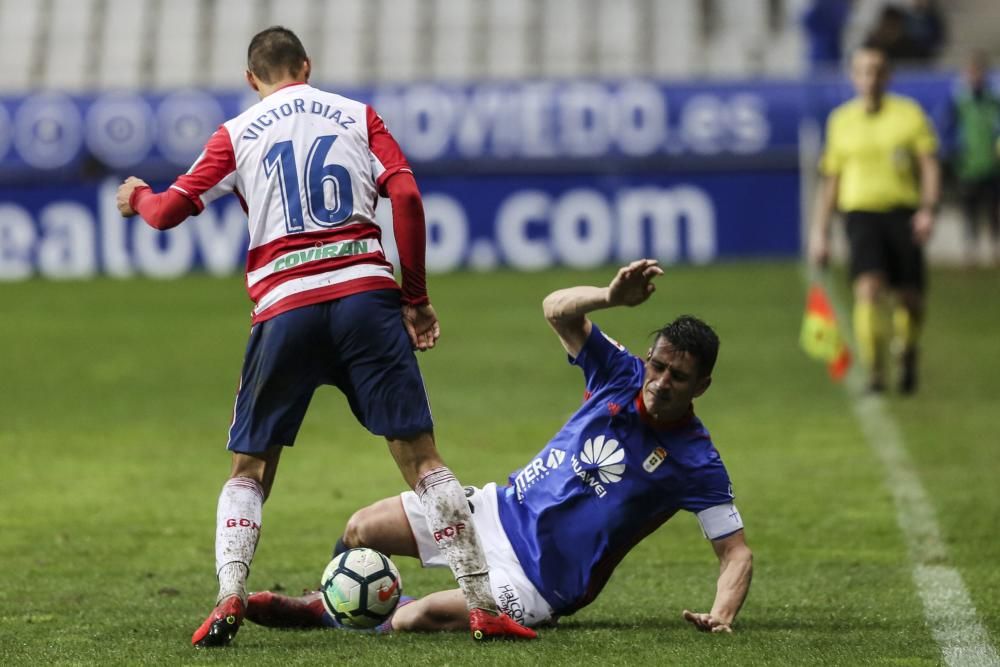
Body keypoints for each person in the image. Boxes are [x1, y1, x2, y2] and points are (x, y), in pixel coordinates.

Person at [114, 26, 533, 646]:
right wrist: (413, 297)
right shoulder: (359, 115)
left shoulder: (236, 134)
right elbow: (408, 197)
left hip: (286, 305)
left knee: (250, 467)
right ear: (306, 66)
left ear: (252, 79)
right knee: (422, 459)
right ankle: (481, 605)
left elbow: (168, 212)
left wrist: (138, 195)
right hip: (366, 298)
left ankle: (229, 597)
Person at [244, 260, 754, 635]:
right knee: (360, 529)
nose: (661, 382)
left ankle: (363, 615)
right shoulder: (619, 373)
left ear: (701, 387)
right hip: (493, 510)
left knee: (413, 618)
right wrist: (608, 296)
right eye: (658, 366)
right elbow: (556, 310)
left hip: (538, 582)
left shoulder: (696, 461)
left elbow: (735, 553)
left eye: (678, 377)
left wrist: (723, 614)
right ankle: (325, 602)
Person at [809, 44, 941, 394]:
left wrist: (928, 209)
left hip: (903, 214)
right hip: (860, 215)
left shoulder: (908, 114)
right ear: (854, 76)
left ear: (888, 75)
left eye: (877, 70)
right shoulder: (841, 121)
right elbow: (832, 180)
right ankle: (875, 371)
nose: (871, 78)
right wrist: (819, 231)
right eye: (864, 71)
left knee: (909, 300)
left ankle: (907, 351)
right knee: (868, 290)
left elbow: (929, 165)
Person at [941, 51, 1000, 267]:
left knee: (993, 211)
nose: (975, 77)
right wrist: (954, 151)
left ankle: (995, 249)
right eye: (971, 72)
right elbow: (946, 129)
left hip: (992, 165)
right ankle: (970, 251)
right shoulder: (958, 101)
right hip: (967, 166)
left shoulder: (993, 101)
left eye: (979, 72)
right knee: (969, 212)